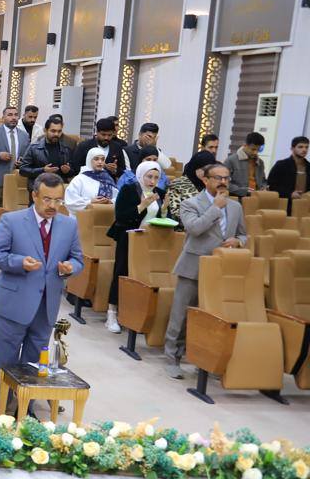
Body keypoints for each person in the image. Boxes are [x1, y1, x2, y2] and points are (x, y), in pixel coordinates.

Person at [0, 173, 85, 416]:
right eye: (47, 199)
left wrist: (70, 267)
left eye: (58, 200)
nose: (53, 206)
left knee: (33, 364)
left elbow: (77, 259)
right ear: (34, 196)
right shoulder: (12, 220)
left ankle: (24, 410)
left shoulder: (69, 225)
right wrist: (19, 262)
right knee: (4, 362)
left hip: (46, 306)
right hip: (13, 304)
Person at [162, 163, 246, 380]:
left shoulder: (236, 207)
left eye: (226, 178)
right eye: (218, 178)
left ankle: (205, 360)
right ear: (205, 180)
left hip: (221, 268)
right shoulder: (191, 203)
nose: (223, 182)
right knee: (181, 315)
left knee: (212, 318)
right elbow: (194, 228)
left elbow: (244, 234)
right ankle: (172, 358)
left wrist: (238, 241)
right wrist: (215, 208)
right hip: (194, 265)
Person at [105, 160, 164, 333]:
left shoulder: (159, 192)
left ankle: (134, 316)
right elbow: (121, 216)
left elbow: (160, 217)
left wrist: (165, 209)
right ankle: (111, 313)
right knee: (121, 272)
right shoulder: (129, 190)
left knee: (141, 278)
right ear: (140, 175)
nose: (152, 181)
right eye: (149, 177)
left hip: (149, 240)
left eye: (156, 177)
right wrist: (142, 205)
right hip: (128, 237)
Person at [19, 114, 74, 181]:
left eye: (59, 131)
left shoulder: (66, 149)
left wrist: (68, 171)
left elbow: (73, 172)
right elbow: (22, 170)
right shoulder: (34, 148)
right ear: (45, 130)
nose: (56, 134)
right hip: (39, 185)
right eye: (53, 131)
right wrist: (43, 170)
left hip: (59, 185)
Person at [266, 136, 309, 212]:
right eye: (300, 147)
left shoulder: (309, 167)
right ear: (292, 148)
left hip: (304, 206)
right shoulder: (281, 165)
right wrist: (290, 193)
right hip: (284, 205)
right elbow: (271, 186)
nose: (304, 150)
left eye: (306, 147)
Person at [225, 132, 267, 197]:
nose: (255, 152)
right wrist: (243, 191)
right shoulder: (231, 160)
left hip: (256, 198)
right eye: (253, 149)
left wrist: (264, 188)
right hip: (237, 198)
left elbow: (263, 181)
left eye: (258, 150)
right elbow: (224, 183)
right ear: (245, 145)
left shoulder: (260, 163)